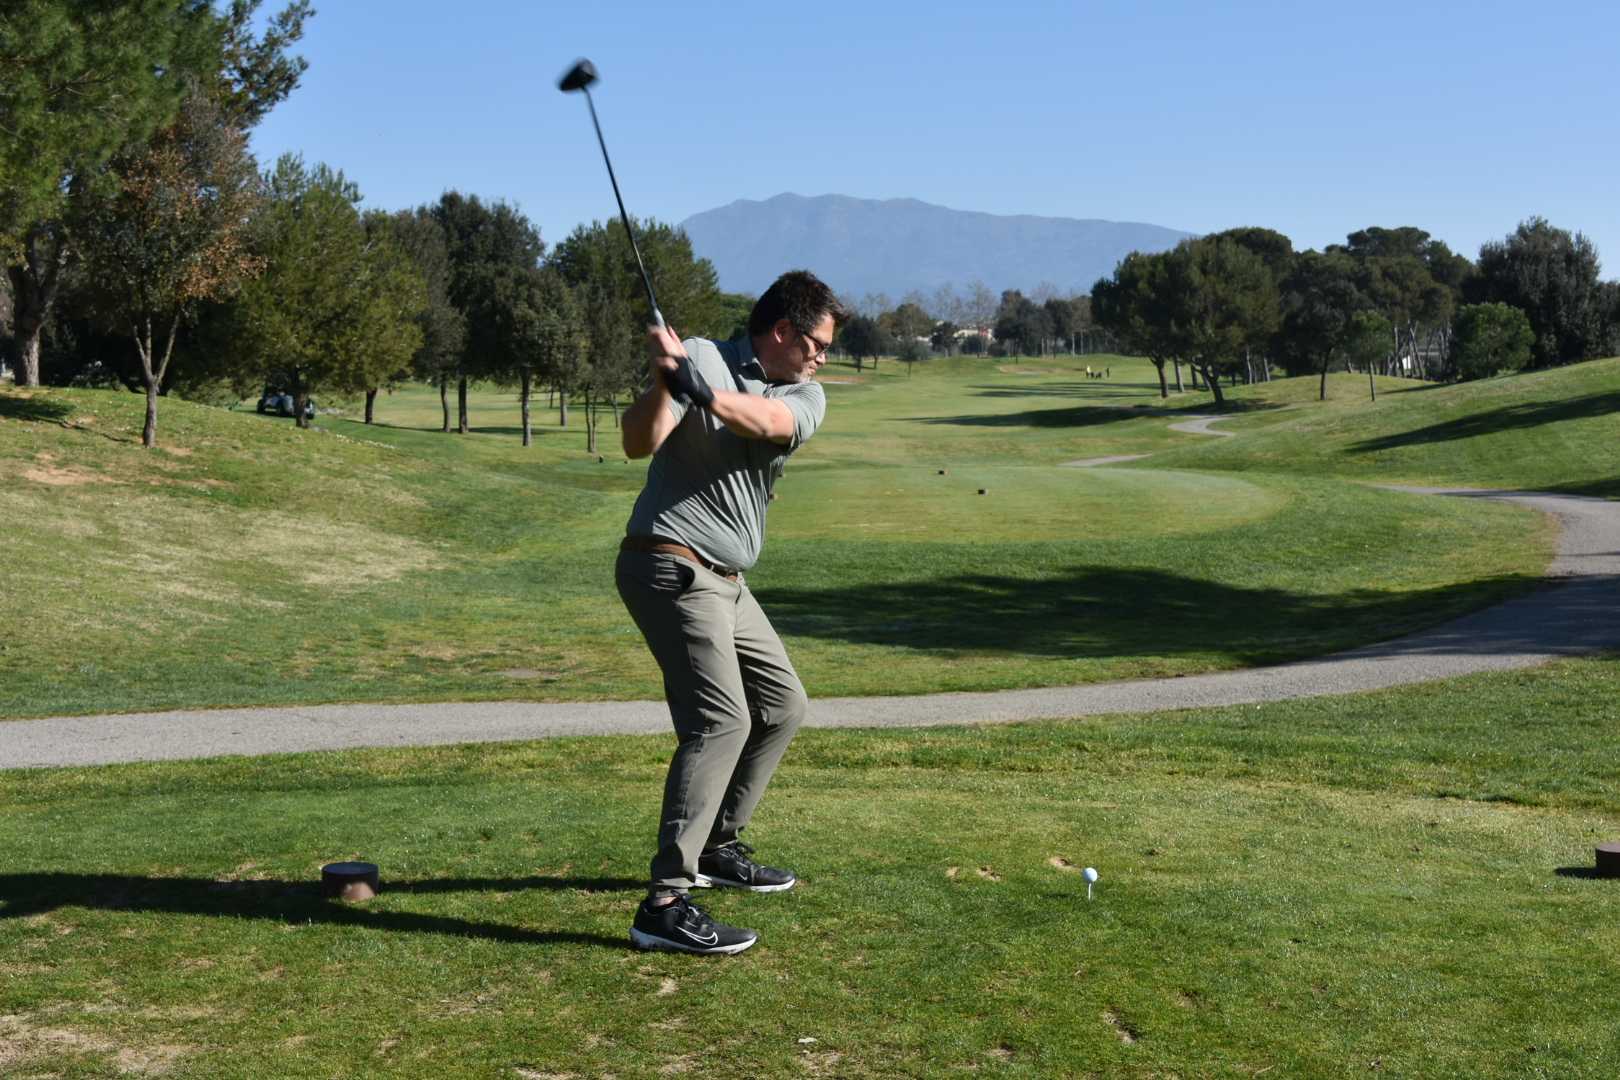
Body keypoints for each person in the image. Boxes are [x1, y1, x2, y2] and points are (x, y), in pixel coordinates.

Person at [616, 269, 846, 955]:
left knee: (783, 705)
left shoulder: (803, 394)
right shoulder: (702, 356)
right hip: (671, 564)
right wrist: (667, 381)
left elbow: (771, 422)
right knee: (720, 721)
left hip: (728, 581)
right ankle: (665, 903)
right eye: (817, 344)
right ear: (782, 330)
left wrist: (704, 394)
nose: (822, 357)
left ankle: (716, 845)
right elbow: (638, 441)